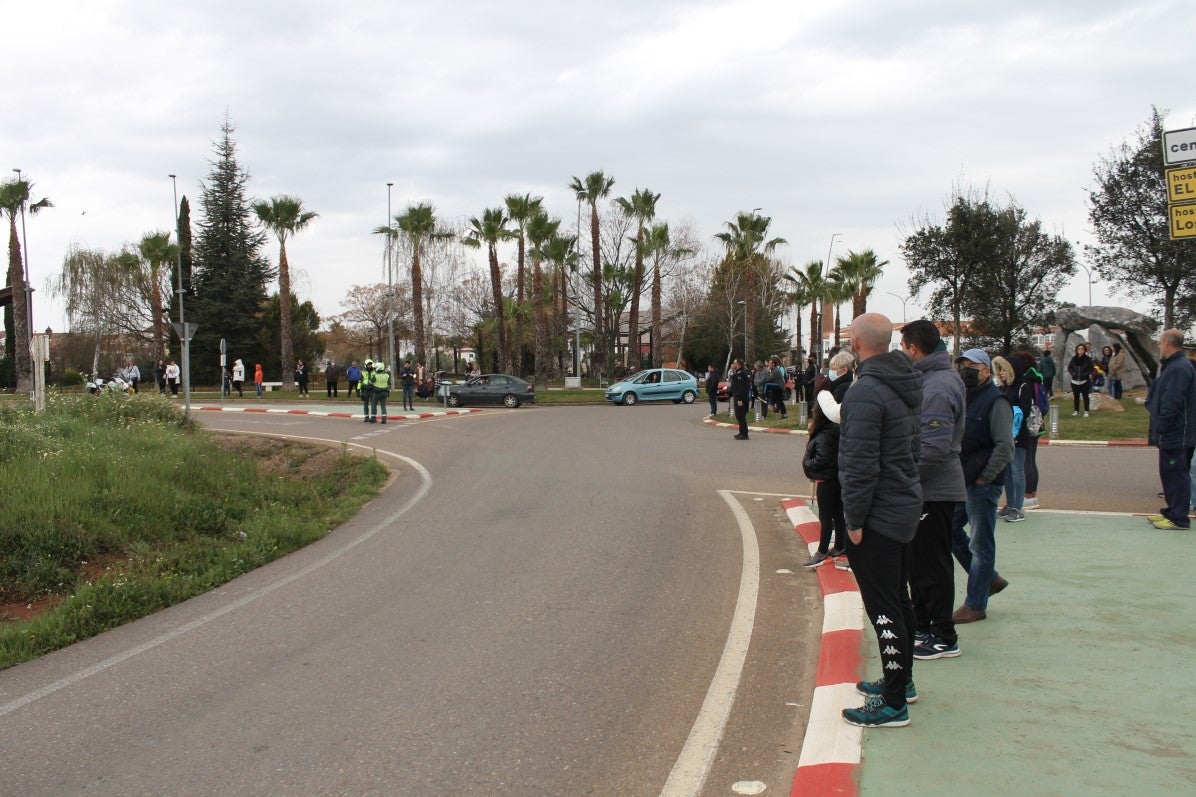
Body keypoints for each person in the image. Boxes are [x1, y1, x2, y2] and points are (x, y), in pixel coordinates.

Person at [838, 313, 923, 729]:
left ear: (856, 342)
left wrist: (853, 519)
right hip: (903, 505)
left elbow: (858, 464)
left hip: (879, 515)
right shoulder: (903, 384)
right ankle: (900, 681)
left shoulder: (865, 392)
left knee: (884, 607)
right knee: (899, 599)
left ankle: (893, 703)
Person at [899, 320, 966, 661]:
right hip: (923, 489)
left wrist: (902, 477)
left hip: (934, 490)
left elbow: (934, 449)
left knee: (932, 565)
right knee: (918, 564)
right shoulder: (930, 378)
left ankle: (943, 634)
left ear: (913, 348)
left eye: (903, 346)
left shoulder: (937, 385)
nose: (900, 352)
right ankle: (924, 626)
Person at [951, 348, 1014, 624]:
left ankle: (976, 603)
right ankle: (988, 579)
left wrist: (985, 477)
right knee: (951, 531)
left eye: (971, 365)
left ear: (986, 370)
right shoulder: (965, 397)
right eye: (963, 364)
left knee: (981, 543)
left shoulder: (995, 401)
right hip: (964, 479)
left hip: (982, 483)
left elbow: (1005, 446)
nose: (965, 369)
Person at [1145, 329, 1196, 530]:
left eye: (1160, 342)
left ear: (1167, 343)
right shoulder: (1173, 366)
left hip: (1176, 433)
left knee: (1175, 472)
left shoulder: (1179, 368)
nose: (1159, 346)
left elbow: (1172, 401)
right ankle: (1172, 509)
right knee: (1169, 472)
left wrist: (1162, 425)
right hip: (1172, 432)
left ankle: (1179, 517)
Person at [801, 388, 845, 568]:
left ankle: (822, 551)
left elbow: (823, 459)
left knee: (826, 517)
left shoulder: (824, 434)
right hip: (837, 479)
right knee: (838, 514)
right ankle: (840, 546)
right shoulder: (835, 429)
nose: (812, 411)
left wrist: (807, 463)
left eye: (814, 409)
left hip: (826, 481)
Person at [997, 355, 1034, 524]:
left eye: (1004, 370)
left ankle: (1018, 508)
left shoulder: (1023, 386)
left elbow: (1024, 411)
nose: (1001, 373)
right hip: (1005, 434)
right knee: (1007, 473)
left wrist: (1007, 411)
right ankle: (1010, 504)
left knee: (1017, 470)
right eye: (999, 370)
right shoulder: (1005, 387)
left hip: (1019, 434)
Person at [1067, 343, 1094, 417]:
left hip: (1084, 381)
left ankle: (1086, 411)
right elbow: (1069, 367)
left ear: (1084, 350)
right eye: (1079, 349)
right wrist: (1073, 373)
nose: (1080, 350)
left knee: (1085, 396)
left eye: (1082, 349)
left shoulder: (1088, 359)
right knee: (1076, 397)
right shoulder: (1074, 358)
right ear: (1076, 350)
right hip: (1075, 381)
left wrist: (1085, 374)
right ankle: (1076, 411)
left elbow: (1091, 368)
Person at [728, 358, 752, 440]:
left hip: (740, 398)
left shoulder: (741, 374)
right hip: (738, 396)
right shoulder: (738, 373)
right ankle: (741, 432)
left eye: (734, 363)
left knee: (741, 416)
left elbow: (741, 388)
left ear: (738, 364)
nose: (733, 365)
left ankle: (744, 434)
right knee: (739, 416)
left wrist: (740, 399)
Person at [767, 355, 788, 419]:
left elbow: (769, 379)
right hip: (777, 387)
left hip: (779, 387)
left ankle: (781, 412)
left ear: (773, 364)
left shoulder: (775, 371)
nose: (769, 365)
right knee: (779, 401)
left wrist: (767, 372)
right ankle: (783, 413)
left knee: (779, 401)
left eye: (770, 363)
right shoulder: (774, 370)